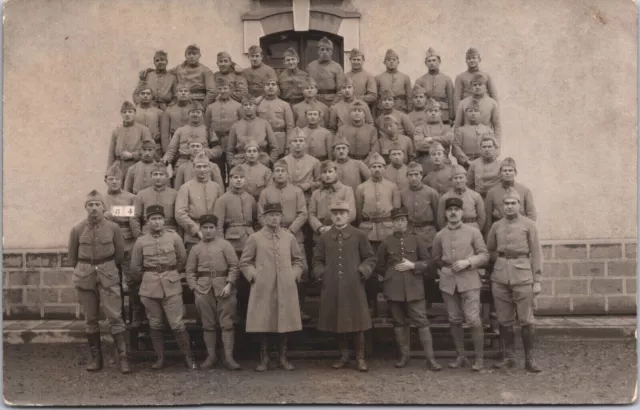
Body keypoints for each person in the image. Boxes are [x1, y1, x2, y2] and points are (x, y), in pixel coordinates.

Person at [68, 190, 130, 374]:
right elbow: (72, 257)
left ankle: (123, 360)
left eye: (97, 204)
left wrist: (108, 268)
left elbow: (119, 254)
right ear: (85, 208)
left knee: (115, 317)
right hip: (85, 277)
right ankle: (96, 360)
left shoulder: (113, 228)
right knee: (91, 319)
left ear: (104, 207)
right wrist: (85, 270)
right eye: (90, 205)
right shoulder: (77, 229)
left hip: (108, 275)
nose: (94, 208)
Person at [239, 202, 306, 372]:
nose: (274, 218)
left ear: (281, 217)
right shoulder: (255, 238)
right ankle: (264, 358)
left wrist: (293, 274)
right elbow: (245, 262)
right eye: (270, 215)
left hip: (285, 286)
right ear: (264, 217)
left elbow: (298, 260)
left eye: (277, 215)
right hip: (263, 287)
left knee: (284, 322)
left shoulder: (289, 237)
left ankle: (283, 357)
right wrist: (254, 275)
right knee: (263, 322)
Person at [373, 206, 442, 370]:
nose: (399, 223)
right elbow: (379, 265)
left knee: (422, 321)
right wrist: (391, 275)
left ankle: (430, 358)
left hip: (414, 287)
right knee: (398, 323)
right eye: (396, 221)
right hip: (394, 288)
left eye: (402, 220)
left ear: (407, 222)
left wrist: (413, 265)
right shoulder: (386, 242)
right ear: (392, 223)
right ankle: (404, 356)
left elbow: (428, 263)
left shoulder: (417, 240)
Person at [130, 205, 196, 370]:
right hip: (149, 287)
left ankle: (188, 358)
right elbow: (135, 268)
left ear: (164, 220)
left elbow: (182, 259)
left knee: (177, 323)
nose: (157, 222)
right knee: (155, 323)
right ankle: (160, 359)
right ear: (148, 221)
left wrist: (171, 274)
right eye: (153, 219)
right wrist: (148, 278)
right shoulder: (141, 241)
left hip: (171, 285)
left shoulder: (174, 237)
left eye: (159, 219)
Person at [313, 199, 376, 372]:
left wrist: (362, 271)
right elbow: (317, 260)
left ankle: (360, 358)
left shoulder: (359, 235)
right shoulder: (324, 237)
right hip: (332, 284)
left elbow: (370, 257)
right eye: (335, 213)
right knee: (338, 322)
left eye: (342, 213)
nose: (339, 216)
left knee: (358, 322)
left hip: (354, 284)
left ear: (348, 216)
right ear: (331, 216)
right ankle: (344, 356)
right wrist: (322, 273)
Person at [486, 188, 542, 372]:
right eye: (506, 204)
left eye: (513, 203)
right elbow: (490, 250)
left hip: (523, 275)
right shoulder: (496, 226)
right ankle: (509, 357)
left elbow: (536, 253)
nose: (509, 207)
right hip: (501, 276)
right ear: (502, 206)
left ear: (519, 205)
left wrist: (537, 280)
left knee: (526, 320)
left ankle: (530, 359)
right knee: (504, 320)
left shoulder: (529, 225)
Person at [432, 197, 489, 371]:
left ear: (462, 212)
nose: (453, 212)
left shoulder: (473, 232)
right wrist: (443, 271)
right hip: (448, 281)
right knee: (454, 319)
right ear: (445, 213)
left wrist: (468, 262)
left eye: (457, 209)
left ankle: (479, 358)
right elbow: (436, 258)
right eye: (450, 210)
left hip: (469, 279)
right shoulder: (440, 235)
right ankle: (460, 356)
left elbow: (484, 255)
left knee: (472, 319)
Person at [186, 213, 242, 370]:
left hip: (224, 287)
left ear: (216, 229)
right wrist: (195, 288)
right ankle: (211, 357)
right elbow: (190, 271)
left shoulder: (225, 245)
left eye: (211, 227)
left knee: (227, 324)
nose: (208, 231)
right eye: (205, 228)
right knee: (207, 325)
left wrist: (229, 284)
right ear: (201, 229)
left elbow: (234, 266)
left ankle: (229, 358)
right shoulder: (196, 249)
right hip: (203, 289)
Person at [258, 160, 310, 322]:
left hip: (294, 235)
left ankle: (299, 309)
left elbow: (303, 213)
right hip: (271, 236)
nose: (280, 173)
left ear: (288, 174)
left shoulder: (296, 192)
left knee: (300, 271)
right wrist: (273, 229)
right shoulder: (265, 193)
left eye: (283, 171)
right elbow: (261, 215)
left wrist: (290, 230)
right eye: (277, 170)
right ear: (273, 173)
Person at [355, 152, 401, 316]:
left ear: (384, 168)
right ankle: (371, 303)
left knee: (389, 266)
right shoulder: (361, 188)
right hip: (368, 231)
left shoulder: (392, 186)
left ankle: (391, 304)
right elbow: (359, 212)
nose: (376, 169)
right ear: (369, 168)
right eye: (373, 167)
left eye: (380, 166)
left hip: (388, 229)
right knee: (371, 268)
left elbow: (396, 210)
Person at [213, 165, 258, 325]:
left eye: (241, 177)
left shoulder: (250, 198)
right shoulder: (223, 200)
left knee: (249, 278)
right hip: (231, 242)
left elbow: (255, 220)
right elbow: (218, 226)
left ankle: (248, 312)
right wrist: (220, 244)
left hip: (249, 240)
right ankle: (236, 313)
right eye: (235, 177)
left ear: (245, 180)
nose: (238, 180)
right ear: (230, 180)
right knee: (235, 276)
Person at [103, 165, 137, 328]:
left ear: (122, 181)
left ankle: (135, 317)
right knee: (113, 284)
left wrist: (112, 215)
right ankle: (119, 318)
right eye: (111, 179)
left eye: (118, 179)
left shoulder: (131, 197)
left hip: (128, 244)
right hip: (109, 247)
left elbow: (133, 217)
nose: (115, 182)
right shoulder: (101, 200)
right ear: (106, 181)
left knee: (132, 282)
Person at [175, 152, 224, 253]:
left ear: (209, 168)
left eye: (205, 166)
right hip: (193, 236)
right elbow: (180, 214)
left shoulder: (216, 187)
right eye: (199, 166)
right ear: (193, 168)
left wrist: (216, 232)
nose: (202, 170)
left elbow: (222, 212)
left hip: (214, 233)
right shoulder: (186, 188)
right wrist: (197, 230)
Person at [162, 101, 221, 172]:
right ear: (188, 114)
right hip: (182, 163)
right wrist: (165, 160)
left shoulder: (208, 131)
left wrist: (204, 152)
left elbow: (218, 150)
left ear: (202, 114)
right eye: (192, 112)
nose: (195, 115)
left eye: (198, 112)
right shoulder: (180, 130)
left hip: (202, 163)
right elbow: (171, 150)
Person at [205, 76, 243, 183]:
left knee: (233, 166)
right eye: (220, 89)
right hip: (216, 141)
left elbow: (242, 125)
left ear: (230, 89)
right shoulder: (211, 107)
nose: (222, 91)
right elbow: (206, 127)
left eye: (225, 88)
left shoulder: (238, 106)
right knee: (218, 167)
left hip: (232, 141)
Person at [484, 157, 537, 231]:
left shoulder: (525, 191)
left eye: (510, 170)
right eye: (504, 170)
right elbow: (488, 218)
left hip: (520, 230)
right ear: (500, 173)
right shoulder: (492, 192)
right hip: (500, 230)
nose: (507, 173)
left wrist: (528, 231)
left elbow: (531, 214)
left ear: (515, 173)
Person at [226, 94, 279, 168]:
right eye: (245, 105)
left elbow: (274, 147)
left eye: (250, 104)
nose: (248, 107)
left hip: (261, 161)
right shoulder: (235, 125)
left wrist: (270, 162)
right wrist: (231, 164)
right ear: (242, 107)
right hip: (240, 163)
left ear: (255, 107)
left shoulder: (264, 123)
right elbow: (230, 150)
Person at [309, 160, 357, 239]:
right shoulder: (316, 193)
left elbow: (351, 214)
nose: (327, 175)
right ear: (320, 175)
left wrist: (334, 227)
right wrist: (320, 228)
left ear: (336, 173)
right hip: (322, 233)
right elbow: (311, 214)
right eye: (324, 172)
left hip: (342, 233)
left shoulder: (346, 190)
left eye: (330, 171)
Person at [107, 101, 153, 182]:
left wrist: (132, 155)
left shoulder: (143, 130)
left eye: (130, 112)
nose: (127, 114)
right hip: (119, 167)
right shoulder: (116, 131)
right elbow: (111, 154)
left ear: (135, 113)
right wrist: (108, 171)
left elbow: (150, 150)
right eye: (124, 112)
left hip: (136, 165)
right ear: (121, 114)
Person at [131, 162, 180, 236]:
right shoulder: (142, 194)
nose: (158, 177)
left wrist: (179, 237)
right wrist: (139, 236)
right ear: (151, 176)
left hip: (170, 233)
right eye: (155, 174)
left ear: (166, 177)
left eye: (161, 174)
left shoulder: (175, 194)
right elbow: (134, 217)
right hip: (147, 233)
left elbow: (179, 218)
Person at [256, 75, 295, 158]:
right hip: (263, 139)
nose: (270, 87)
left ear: (277, 87)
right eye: (268, 84)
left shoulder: (284, 105)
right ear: (264, 88)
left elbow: (290, 127)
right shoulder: (258, 104)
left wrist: (288, 145)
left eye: (273, 84)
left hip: (279, 139)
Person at [437, 165, 486, 232]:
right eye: (455, 178)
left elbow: (482, 217)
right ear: (451, 180)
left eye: (461, 177)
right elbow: (441, 220)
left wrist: (476, 231)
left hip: (471, 228)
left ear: (466, 179)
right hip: (452, 229)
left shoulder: (475, 196)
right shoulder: (445, 197)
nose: (458, 180)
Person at [413, 98, 455, 174]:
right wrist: (442, 143)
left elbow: (449, 140)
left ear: (440, 113)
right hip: (426, 165)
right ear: (425, 113)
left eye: (436, 111)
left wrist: (431, 139)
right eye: (430, 111)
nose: (433, 113)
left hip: (444, 164)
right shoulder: (419, 129)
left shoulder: (446, 128)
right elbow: (419, 146)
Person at [454, 74, 501, 141]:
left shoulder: (492, 103)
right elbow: (457, 126)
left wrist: (497, 143)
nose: (477, 87)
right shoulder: (463, 103)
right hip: (468, 140)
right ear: (471, 87)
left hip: (486, 141)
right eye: (475, 85)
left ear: (485, 86)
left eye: (480, 84)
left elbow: (497, 126)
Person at [415, 48, 455, 124]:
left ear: (439, 62)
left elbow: (451, 100)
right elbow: (417, 100)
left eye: (434, 60)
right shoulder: (420, 80)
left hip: (443, 113)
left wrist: (451, 117)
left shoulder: (447, 79)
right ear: (425, 63)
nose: (431, 63)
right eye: (429, 61)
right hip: (426, 113)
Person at [452, 100, 494, 169]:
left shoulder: (487, 129)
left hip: (484, 163)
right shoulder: (460, 130)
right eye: (470, 111)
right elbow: (456, 148)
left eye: (476, 111)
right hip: (466, 165)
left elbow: (493, 146)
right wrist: (466, 161)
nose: (473, 113)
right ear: (466, 113)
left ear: (480, 113)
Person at [281, 130, 321, 202]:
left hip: (308, 198)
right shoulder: (283, 161)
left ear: (305, 144)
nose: (298, 143)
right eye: (295, 141)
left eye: (301, 141)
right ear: (290, 144)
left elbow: (321, 182)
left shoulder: (315, 161)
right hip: (288, 198)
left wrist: (309, 185)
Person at [306, 37, 345, 107]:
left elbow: (341, 90)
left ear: (331, 52)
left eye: (328, 50)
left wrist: (334, 104)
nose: (325, 52)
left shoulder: (337, 67)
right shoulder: (311, 66)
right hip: (314, 102)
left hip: (330, 102)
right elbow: (306, 86)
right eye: (322, 49)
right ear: (318, 51)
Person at [375, 49, 412, 113]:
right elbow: (376, 99)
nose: (391, 62)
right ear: (384, 62)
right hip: (383, 110)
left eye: (394, 60)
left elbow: (409, 97)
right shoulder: (378, 78)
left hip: (400, 109)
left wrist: (409, 112)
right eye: (389, 60)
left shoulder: (405, 77)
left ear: (398, 62)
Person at [160, 83, 192, 155]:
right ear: (176, 94)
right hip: (175, 143)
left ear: (189, 94)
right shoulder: (169, 110)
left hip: (192, 142)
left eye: (186, 91)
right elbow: (165, 133)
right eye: (180, 91)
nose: (183, 93)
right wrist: (166, 150)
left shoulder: (195, 109)